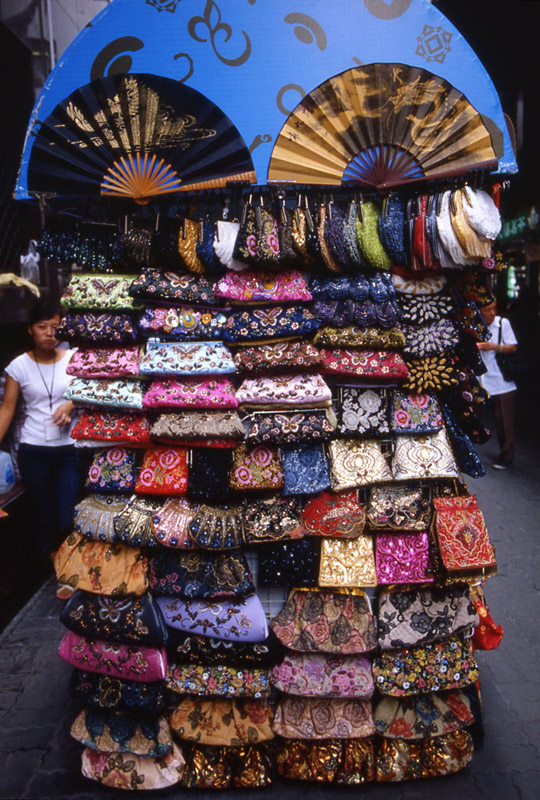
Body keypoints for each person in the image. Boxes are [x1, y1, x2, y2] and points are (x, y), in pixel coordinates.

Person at [0, 300, 81, 558]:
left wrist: (70, 404)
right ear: (30, 330)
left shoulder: (74, 358)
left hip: (70, 449)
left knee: (66, 514)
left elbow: (92, 392)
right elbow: (7, 409)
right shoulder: (18, 366)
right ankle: (54, 569)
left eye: (55, 327)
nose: (49, 333)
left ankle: (70, 564)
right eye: (42, 326)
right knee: (43, 514)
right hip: (33, 451)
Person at [477, 299, 518, 470]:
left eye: (494, 308)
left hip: (500, 379)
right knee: (471, 415)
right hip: (480, 378)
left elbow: (513, 347)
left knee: (504, 419)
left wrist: (494, 346)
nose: (493, 312)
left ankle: (507, 456)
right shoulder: (475, 325)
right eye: (488, 309)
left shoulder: (502, 323)